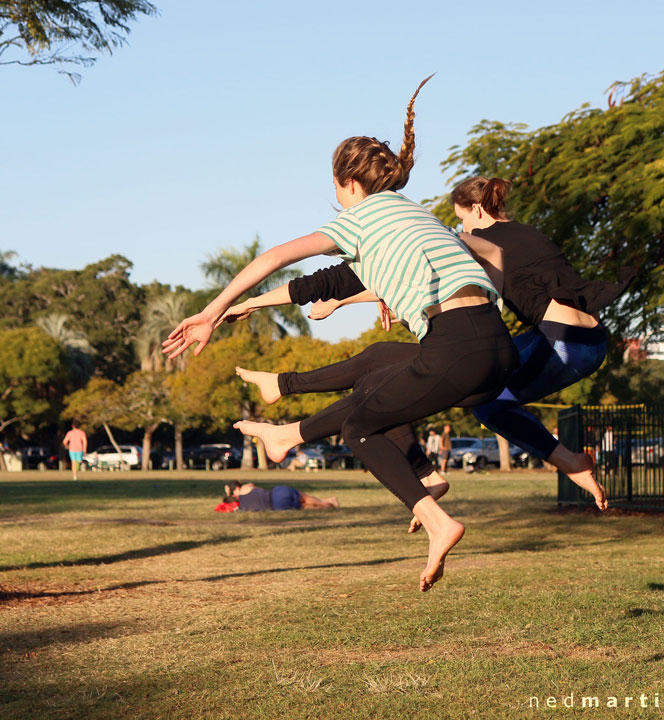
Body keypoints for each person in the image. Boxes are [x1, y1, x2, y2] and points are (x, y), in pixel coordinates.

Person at [163, 77, 518, 592]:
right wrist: (247, 306)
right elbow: (333, 282)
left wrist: (210, 309)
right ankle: (293, 434)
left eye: (333, 187)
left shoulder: (360, 219)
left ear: (347, 183)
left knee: (360, 429)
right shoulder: (415, 217)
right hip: (495, 346)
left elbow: (277, 256)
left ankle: (440, 524)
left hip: (455, 345)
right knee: (376, 369)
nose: (334, 196)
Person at [225, 174, 629, 512]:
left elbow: (417, 265)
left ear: (477, 211)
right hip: (584, 338)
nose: (461, 229)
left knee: (464, 392)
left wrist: (342, 299)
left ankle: (565, 462)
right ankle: (290, 414)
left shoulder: (477, 237)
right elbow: (416, 273)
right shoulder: (526, 234)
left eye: (462, 220)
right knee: (419, 378)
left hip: (562, 345)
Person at [220, 480, 338, 511]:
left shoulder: (243, 506)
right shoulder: (245, 488)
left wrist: (230, 494)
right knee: (304, 498)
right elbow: (252, 485)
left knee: (304, 506)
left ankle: (326, 505)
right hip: (277, 493)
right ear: (236, 488)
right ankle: (325, 502)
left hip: (277, 506)